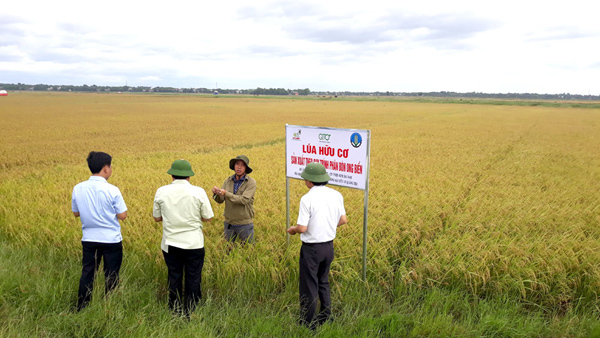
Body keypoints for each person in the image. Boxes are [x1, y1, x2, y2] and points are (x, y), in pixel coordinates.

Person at [287, 162, 348, 329]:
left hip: (312, 250)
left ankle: (308, 323)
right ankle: (326, 317)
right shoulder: (336, 195)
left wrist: (292, 230)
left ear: (309, 181)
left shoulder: (307, 199)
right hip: (328, 247)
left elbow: (302, 228)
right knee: (323, 281)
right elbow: (343, 220)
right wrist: (326, 226)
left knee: (309, 285)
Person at [153, 159, 214, 317]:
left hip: (171, 243)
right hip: (194, 243)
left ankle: (174, 309)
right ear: (189, 176)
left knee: (174, 276)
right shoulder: (198, 191)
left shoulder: (161, 191)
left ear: (172, 175)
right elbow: (208, 217)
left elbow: (157, 218)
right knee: (193, 277)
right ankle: (191, 310)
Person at [72, 151, 128, 311]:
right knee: (111, 275)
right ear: (105, 168)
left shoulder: (78, 188)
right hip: (111, 240)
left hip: (89, 239)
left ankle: (82, 306)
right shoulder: (112, 190)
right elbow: (122, 215)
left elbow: (76, 213)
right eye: (110, 166)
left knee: (88, 273)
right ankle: (109, 307)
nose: (111, 169)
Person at [212, 155, 257, 245]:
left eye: (242, 165)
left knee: (247, 252)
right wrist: (216, 193)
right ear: (234, 166)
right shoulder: (228, 181)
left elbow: (244, 200)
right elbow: (220, 200)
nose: (239, 167)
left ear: (246, 168)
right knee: (228, 251)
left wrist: (226, 193)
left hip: (244, 224)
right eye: (237, 164)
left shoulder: (251, 183)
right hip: (229, 224)